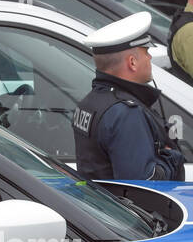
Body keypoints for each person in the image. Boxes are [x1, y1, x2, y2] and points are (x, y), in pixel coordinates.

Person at [73, 12, 186, 181]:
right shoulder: (125, 113)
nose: (149, 57)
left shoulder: (91, 102)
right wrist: (172, 159)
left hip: (100, 204)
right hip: (127, 207)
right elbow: (142, 184)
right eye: (146, 52)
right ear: (132, 62)